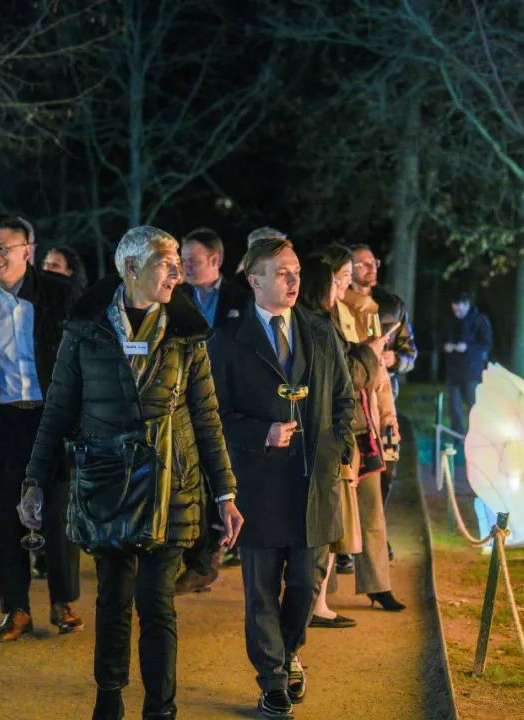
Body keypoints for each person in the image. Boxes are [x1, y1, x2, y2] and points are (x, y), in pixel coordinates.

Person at [19, 226, 243, 720]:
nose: (177, 273)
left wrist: (225, 493)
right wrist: (34, 480)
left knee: (157, 601)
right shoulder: (84, 329)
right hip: (107, 481)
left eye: (179, 264)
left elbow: (206, 417)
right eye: (166, 263)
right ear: (131, 267)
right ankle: (109, 699)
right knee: (113, 598)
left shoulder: (187, 333)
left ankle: (161, 709)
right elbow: (57, 410)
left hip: (171, 484)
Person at [210, 236, 354, 718]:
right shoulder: (228, 340)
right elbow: (214, 415)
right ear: (255, 281)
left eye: (295, 271)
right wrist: (261, 433)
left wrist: (337, 449)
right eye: (282, 272)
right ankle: (272, 679)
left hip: (315, 481)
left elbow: (344, 398)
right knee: (261, 590)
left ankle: (290, 652)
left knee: (306, 585)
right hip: (258, 483)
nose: (294, 280)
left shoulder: (320, 330)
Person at [0, 213, 82, 642]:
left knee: (57, 510)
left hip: (51, 416)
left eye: (3, 248)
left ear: (27, 251)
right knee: (6, 518)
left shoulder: (59, 294)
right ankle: (15, 608)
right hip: (1, 419)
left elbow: (83, 355)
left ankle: (63, 601)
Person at [297, 254, 374, 630]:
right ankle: (315, 605)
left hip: (323, 441)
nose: (341, 287)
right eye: (337, 280)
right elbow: (346, 384)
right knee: (326, 526)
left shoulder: (312, 325)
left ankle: (314, 602)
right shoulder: (321, 328)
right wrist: (369, 355)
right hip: (324, 443)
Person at [174, 227, 250, 594]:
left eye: (193, 260)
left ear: (215, 260)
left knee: (221, 480)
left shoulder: (241, 300)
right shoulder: (175, 297)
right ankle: (198, 561)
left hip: (228, 402)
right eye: (182, 260)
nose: (185, 266)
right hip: (184, 399)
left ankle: (208, 559)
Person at [336, 247, 405, 612]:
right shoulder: (330, 314)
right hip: (341, 423)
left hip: (368, 422)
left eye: (372, 263)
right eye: (349, 272)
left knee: (372, 506)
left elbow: (380, 377)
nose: (367, 270)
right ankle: (317, 592)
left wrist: (388, 420)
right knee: (333, 509)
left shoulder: (378, 313)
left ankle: (378, 583)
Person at [348, 245, 417, 399]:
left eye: (374, 263)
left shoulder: (393, 306)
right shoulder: (338, 305)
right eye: (364, 264)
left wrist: (396, 360)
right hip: (351, 393)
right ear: (348, 268)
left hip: (384, 394)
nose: (372, 268)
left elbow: (410, 353)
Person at [443, 291, 493, 433]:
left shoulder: (480, 320)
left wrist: (468, 348)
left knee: (474, 405)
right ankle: (457, 437)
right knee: (454, 407)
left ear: (467, 305)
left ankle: (477, 435)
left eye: (459, 310)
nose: (457, 313)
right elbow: (441, 338)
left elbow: (486, 344)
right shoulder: (450, 320)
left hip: (472, 371)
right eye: (455, 310)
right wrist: (446, 346)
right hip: (453, 371)